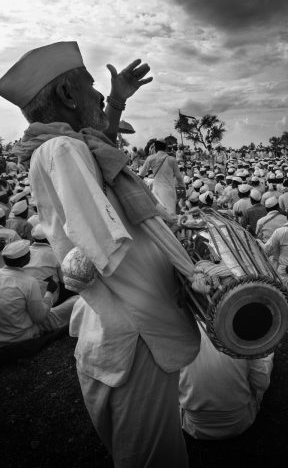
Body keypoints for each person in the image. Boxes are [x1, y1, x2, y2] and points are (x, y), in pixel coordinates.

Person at [0, 41, 200, 467]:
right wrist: (187, 277)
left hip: (114, 334)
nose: (96, 95)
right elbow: (108, 252)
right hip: (139, 334)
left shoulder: (60, 147)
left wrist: (116, 102)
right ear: (69, 97)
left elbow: (98, 149)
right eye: (90, 87)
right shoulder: (63, 150)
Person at [179, 324, 273, 440]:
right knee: (267, 352)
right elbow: (261, 383)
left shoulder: (173, 334)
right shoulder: (242, 330)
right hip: (240, 422)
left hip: (193, 426)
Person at [0, 240, 76, 347]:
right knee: (75, 301)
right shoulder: (29, 282)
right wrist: (50, 292)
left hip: (3, 335)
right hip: (22, 335)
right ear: (24, 260)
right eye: (29, 254)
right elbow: (39, 318)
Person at [139, 139, 185, 215]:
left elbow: (141, 176)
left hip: (156, 191)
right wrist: (182, 189)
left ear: (156, 148)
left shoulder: (150, 158)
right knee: (171, 216)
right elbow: (179, 177)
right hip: (169, 192)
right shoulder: (172, 159)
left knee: (159, 216)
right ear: (166, 148)